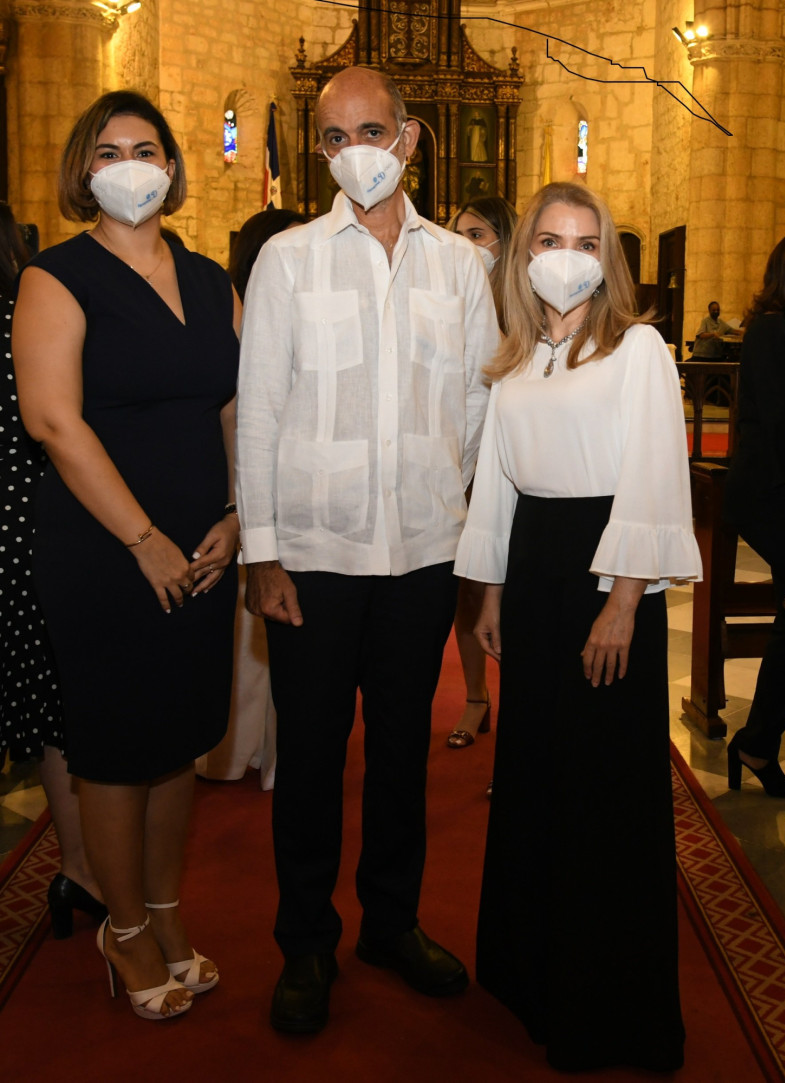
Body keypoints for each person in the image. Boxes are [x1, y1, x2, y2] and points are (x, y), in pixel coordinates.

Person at [236, 65, 499, 1034]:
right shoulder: (289, 261)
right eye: (336, 136)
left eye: (373, 131)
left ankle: (390, 923)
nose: (358, 152)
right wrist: (263, 554)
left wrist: (448, 493)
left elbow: (476, 400)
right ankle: (305, 942)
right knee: (307, 760)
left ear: (410, 139)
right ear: (320, 151)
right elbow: (259, 413)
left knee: (400, 758)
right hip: (312, 556)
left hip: (422, 555)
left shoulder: (458, 267)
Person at [454, 181, 701, 1073]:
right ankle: (533, 975)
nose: (569, 255)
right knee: (536, 773)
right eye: (551, 239)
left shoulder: (637, 348)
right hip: (534, 576)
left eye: (587, 242)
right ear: (524, 256)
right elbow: (498, 487)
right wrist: (487, 596)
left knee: (604, 785)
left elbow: (652, 474)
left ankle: (609, 1007)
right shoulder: (515, 359)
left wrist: (624, 600)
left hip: (607, 573)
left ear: (608, 259)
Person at [13, 91, 240, 1020]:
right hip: (106, 547)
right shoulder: (55, 277)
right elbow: (53, 420)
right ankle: (122, 928)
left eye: (147, 148)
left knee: (180, 736)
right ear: (84, 169)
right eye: (110, 151)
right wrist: (142, 537)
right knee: (115, 747)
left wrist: (238, 510)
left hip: (205, 546)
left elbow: (235, 407)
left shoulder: (212, 278)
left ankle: (166, 912)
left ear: (174, 165)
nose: (131, 165)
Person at [0, 201, 107, 938]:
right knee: (55, 717)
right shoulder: (35, 304)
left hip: (23, 534)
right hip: (33, 532)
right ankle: (81, 870)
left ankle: (81, 870)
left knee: (49, 712)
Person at [197, 207, 306, 789]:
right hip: (242, 476)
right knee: (245, 638)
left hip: (301, 485)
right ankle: (229, 750)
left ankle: (273, 748)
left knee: (280, 641)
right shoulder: (235, 307)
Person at [724, 230, 785, 798]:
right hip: (773, 493)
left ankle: (756, 742)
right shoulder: (771, 332)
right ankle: (756, 742)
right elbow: (781, 426)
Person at [446, 197, 517, 753]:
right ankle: (475, 696)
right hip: (461, 461)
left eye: (478, 234)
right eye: (458, 234)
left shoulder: (528, 305)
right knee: (467, 590)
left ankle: (519, 721)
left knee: (514, 595)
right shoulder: (448, 297)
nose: (466, 245)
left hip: (515, 465)